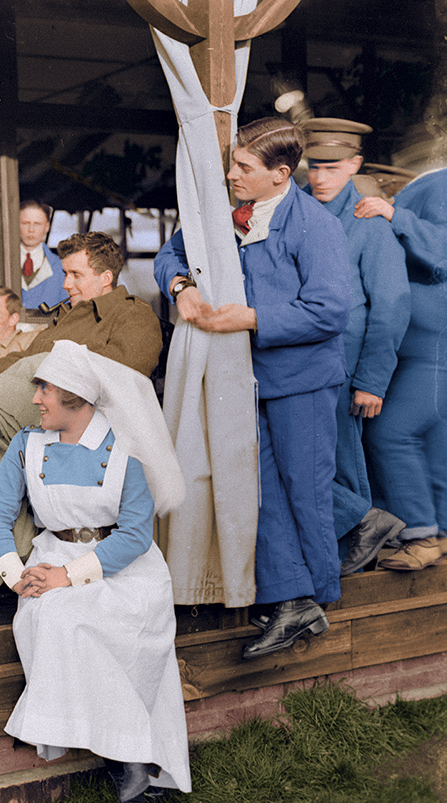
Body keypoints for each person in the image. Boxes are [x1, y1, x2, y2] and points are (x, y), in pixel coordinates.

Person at [0, 340, 190, 803]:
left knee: (82, 624)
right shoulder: (27, 446)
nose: (36, 400)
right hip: (49, 563)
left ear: (74, 396)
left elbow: (136, 535)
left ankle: (134, 798)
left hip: (124, 571)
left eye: (45, 389)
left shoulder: (125, 451)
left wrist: (69, 576)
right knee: (57, 619)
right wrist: (18, 574)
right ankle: (135, 792)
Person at [155, 116, 351, 661]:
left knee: (304, 490)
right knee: (257, 489)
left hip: (300, 382)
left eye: (243, 166)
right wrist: (181, 286)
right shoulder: (224, 213)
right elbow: (173, 252)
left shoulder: (315, 226)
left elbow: (330, 310)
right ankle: (291, 598)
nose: (231, 174)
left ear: (279, 174)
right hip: (243, 381)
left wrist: (253, 318)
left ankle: (317, 598)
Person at [301, 118, 410, 574]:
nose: (321, 177)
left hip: (346, 366)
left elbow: (392, 305)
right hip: (299, 362)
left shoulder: (369, 220)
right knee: (313, 460)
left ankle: (354, 552)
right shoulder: (297, 212)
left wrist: (371, 380)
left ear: (354, 165)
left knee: (342, 463)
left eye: (332, 167)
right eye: (313, 167)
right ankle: (358, 539)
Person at [356, 168, 447, 570]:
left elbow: (443, 247)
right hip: (424, 350)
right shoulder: (432, 181)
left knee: (389, 432)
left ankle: (424, 535)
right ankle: (440, 533)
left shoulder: (440, 182)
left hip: (433, 352)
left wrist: (397, 216)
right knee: (436, 447)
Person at [0, 231, 162, 377]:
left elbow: (115, 376)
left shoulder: (134, 316)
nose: (66, 285)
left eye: (76, 275)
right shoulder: (66, 314)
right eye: (65, 274)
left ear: (106, 278)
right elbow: (25, 357)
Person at [0, 199, 66, 317]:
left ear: (47, 226)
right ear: (16, 224)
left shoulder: (62, 268)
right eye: (25, 223)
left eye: (37, 224)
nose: (31, 229)